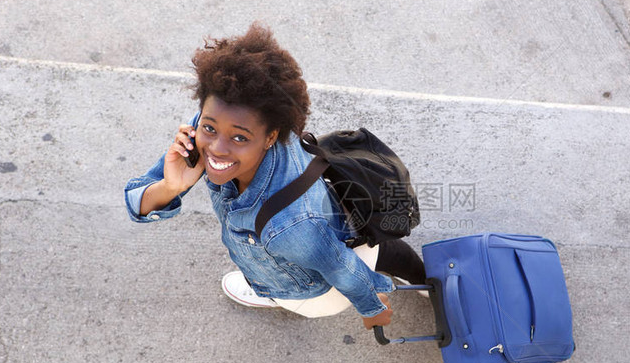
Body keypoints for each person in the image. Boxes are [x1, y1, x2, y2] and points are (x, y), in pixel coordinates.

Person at [124, 22, 425, 329]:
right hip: (337, 221)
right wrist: (170, 186)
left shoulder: (289, 229)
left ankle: (272, 291)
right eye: (209, 127)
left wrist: (372, 307)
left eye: (239, 138)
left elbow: (342, 268)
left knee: (298, 272)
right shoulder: (231, 120)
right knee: (382, 251)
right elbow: (138, 200)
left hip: (310, 290)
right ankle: (426, 280)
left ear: (271, 137)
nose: (216, 148)